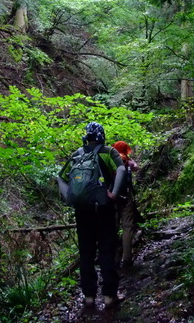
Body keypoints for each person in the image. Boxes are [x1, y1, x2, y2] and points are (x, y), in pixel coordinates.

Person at [57, 122, 127, 309]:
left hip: (82, 212)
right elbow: (121, 169)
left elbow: (61, 177)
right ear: (102, 135)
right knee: (106, 250)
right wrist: (114, 193)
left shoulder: (77, 154)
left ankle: (88, 296)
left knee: (86, 253)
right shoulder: (108, 151)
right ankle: (109, 296)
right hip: (103, 209)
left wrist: (69, 198)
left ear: (87, 136)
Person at [111, 141, 140, 268]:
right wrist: (128, 158)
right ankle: (127, 259)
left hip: (112, 197)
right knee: (127, 227)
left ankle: (114, 259)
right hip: (126, 197)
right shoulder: (127, 162)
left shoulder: (111, 160)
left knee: (113, 228)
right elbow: (136, 167)